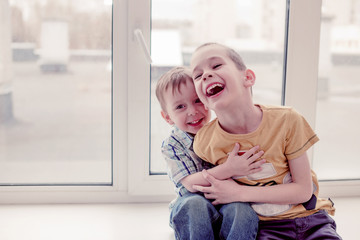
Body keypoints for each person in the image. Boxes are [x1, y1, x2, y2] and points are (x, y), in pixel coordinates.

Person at [190, 42, 342, 239]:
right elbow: (194, 184)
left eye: (216, 66)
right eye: (197, 75)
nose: (206, 75)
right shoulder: (204, 142)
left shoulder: (287, 120)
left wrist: (239, 193)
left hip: (310, 219)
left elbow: (303, 190)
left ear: (248, 78)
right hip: (263, 230)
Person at [156, 66, 265, 240]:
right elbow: (191, 184)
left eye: (197, 101)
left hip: (225, 203)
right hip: (191, 207)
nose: (192, 111)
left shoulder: (223, 130)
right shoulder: (173, 144)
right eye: (180, 107)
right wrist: (229, 169)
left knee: (242, 210)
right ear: (168, 117)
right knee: (194, 204)